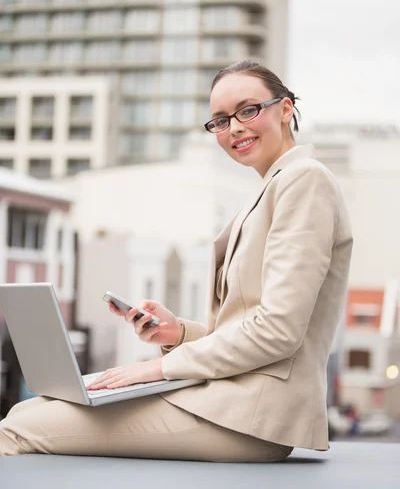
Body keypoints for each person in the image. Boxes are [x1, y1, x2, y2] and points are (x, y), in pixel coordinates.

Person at [0, 60, 353, 461]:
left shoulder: (304, 180)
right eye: (220, 120)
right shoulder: (271, 188)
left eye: (248, 109)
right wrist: (179, 334)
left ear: (286, 109)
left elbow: (278, 332)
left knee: (17, 429)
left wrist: (156, 370)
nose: (234, 127)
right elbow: (247, 328)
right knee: (27, 409)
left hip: (249, 416)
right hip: (229, 401)